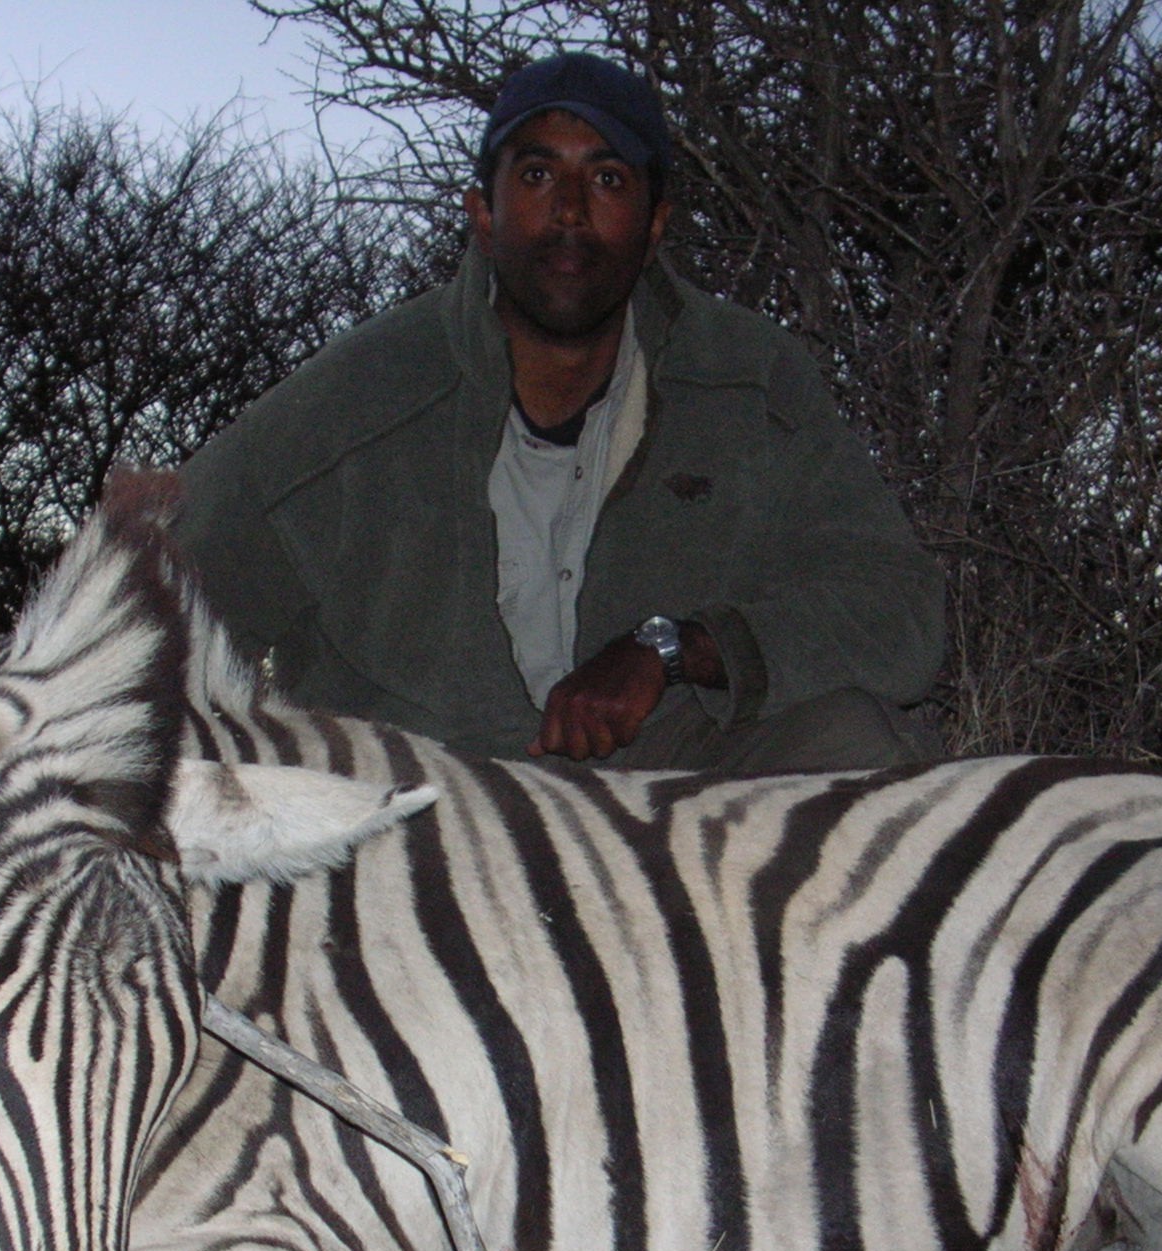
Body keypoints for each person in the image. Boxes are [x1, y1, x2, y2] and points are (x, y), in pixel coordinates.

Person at [178, 52, 943, 771]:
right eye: (539, 174)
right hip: (426, 812)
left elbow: (898, 611)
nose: (571, 212)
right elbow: (161, 591)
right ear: (483, 212)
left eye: (607, 179)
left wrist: (678, 649)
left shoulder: (750, 380)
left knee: (851, 741)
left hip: (660, 794)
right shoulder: (355, 398)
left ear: (653, 226)